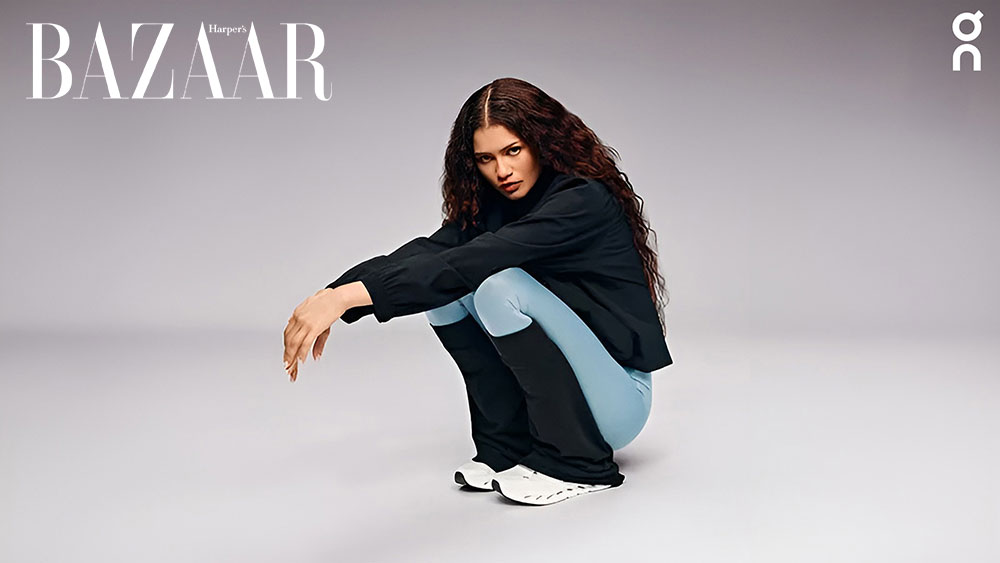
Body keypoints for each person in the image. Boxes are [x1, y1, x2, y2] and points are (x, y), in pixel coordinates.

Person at [282, 77, 673, 506]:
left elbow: (473, 259)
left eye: (513, 151)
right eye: (486, 158)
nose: (501, 171)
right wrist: (333, 294)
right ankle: (506, 447)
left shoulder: (582, 200)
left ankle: (576, 463)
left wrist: (347, 299)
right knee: (448, 293)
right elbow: (430, 253)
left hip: (616, 401)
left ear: (542, 142)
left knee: (497, 287)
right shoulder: (495, 207)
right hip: (564, 399)